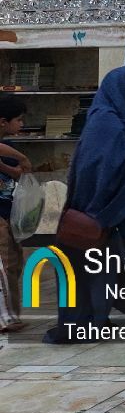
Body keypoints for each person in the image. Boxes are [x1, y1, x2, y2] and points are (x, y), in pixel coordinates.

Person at [47, 63, 125, 342]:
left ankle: (96, 320)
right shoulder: (105, 121)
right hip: (104, 210)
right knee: (107, 270)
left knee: (115, 271)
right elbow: (97, 167)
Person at [0, 95, 33, 332]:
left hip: (8, 212)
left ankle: (11, 314)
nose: (21, 124)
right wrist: (21, 158)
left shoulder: (8, 147)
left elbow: (21, 173)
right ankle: (5, 317)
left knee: (13, 261)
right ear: (3, 121)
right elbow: (21, 164)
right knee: (3, 263)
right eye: (18, 120)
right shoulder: (10, 151)